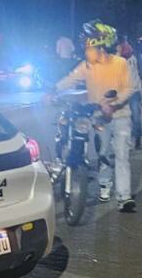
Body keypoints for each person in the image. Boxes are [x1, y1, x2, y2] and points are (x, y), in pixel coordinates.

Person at [55, 19, 136, 212]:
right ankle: (104, 185)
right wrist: (53, 90)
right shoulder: (87, 66)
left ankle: (124, 197)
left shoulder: (120, 63)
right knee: (103, 154)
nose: (86, 53)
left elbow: (129, 88)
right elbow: (70, 79)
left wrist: (113, 104)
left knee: (122, 156)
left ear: (100, 49)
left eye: (89, 49)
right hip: (99, 117)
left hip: (121, 117)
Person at [119, 37, 142, 150]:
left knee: (136, 118)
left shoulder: (135, 56)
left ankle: (137, 139)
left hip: (134, 92)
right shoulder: (115, 59)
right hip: (121, 94)